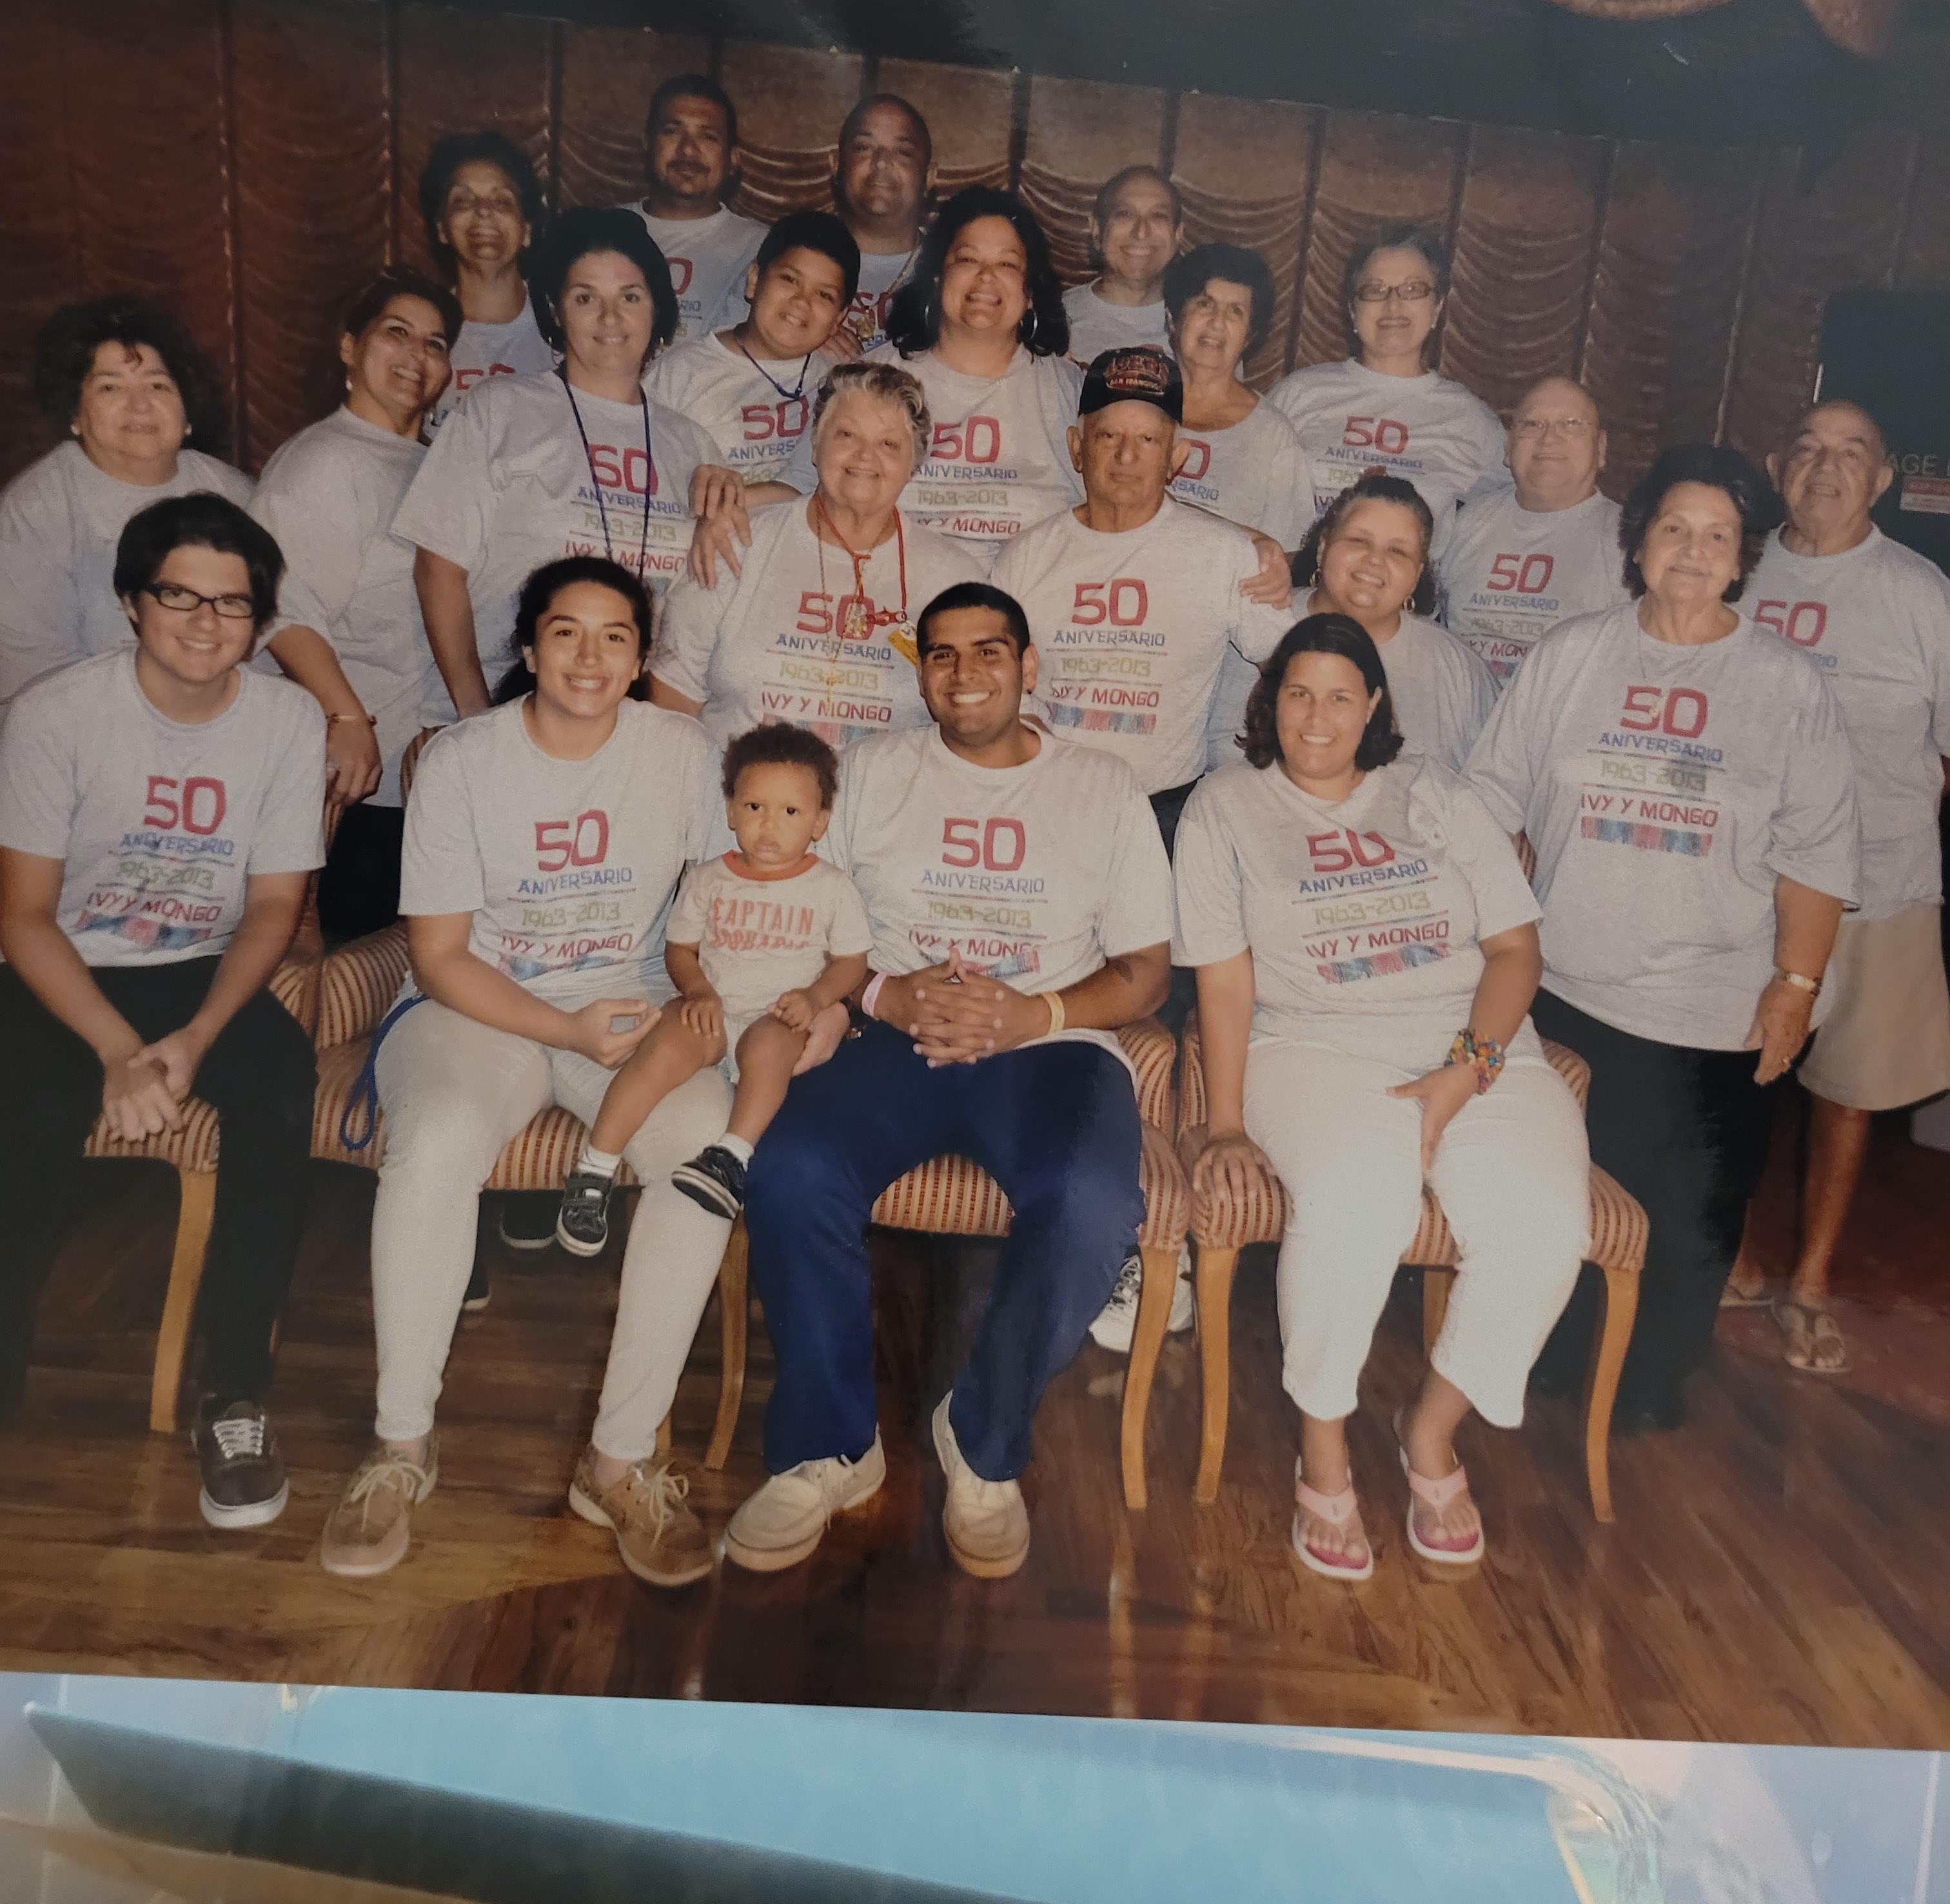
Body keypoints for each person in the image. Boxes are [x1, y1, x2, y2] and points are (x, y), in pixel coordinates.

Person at [725, 585, 1172, 1582]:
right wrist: (882, 993)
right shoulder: (875, 772)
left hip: (1047, 1041)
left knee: (1093, 1201)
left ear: (1029, 665)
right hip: (894, 1032)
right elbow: (804, 915)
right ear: (918, 669)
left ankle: (982, 1436)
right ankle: (829, 1446)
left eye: (989, 651)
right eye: (942, 655)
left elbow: (1146, 972)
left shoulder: (1103, 786)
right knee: (790, 1166)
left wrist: (1033, 1014)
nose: (965, 674)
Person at [318, 558, 730, 1589]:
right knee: (438, 1141)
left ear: (642, 659)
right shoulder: (461, 758)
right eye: (565, 632)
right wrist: (562, 1026)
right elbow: (440, 955)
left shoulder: (682, 754)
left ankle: (620, 1460)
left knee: (700, 1157)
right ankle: (401, 1445)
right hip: (480, 1004)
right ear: (529, 646)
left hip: (630, 1004)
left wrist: (694, 1006)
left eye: (615, 637)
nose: (589, 657)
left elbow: (720, 907)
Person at [1176, 615, 1588, 1578]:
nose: (1317, 717)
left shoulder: (1436, 793)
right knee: (1360, 1199)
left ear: (1374, 708)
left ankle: (1431, 1429)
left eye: (1340, 696)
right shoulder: (1224, 807)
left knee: (1544, 1225)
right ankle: (1323, 1452)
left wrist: (1467, 1067)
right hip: (1314, 1045)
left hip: (1476, 1044)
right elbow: (1226, 981)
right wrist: (1227, 1121)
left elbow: (1516, 950)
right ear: (1268, 703)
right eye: (1296, 693)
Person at [1466, 444, 1860, 1431]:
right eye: (1674, 529)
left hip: (1707, 1009)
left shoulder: (1787, 686)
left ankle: (1645, 1384)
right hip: (1564, 995)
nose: (1693, 550)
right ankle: (1547, 1356)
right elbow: (1491, 793)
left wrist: (1796, 986)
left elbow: (1818, 853)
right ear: (1637, 545)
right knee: (1555, 1202)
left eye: (1717, 536)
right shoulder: (1571, 655)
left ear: (1742, 560)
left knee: (1682, 1224)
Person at [0, 493, 324, 1526]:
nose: (205, 622)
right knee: (29, 1121)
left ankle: (233, 1393)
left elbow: (274, 910)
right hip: (62, 969)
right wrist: (115, 1050)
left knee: (279, 1091)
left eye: (233, 604)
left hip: (199, 969)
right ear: (133, 602)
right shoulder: (55, 712)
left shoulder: (286, 718)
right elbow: (24, 918)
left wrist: (190, 1039)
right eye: (179, 595)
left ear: (260, 619)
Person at [1724, 400, 1950, 1373]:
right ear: (1779, 464)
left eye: (1852, 452)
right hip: (1737, 881)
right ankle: (1724, 1256)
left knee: (1846, 1091)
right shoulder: (1738, 563)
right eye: (1808, 447)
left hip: (1877, 884)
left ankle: (1809, 1279)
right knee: (1733, 1073)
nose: (1827, 468)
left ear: (1885, 477)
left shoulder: (1919, 591)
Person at [557, 723, 871, 1250]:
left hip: (778, 1016)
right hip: (714, 1010)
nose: (769, 826)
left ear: (819, 823)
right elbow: (680, 950)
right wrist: (698, 990)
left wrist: (816, 999)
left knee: (772, 1043)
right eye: (754, 808)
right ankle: (594, 1169)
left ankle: (731, 1156)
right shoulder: (707, 878)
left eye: (790, 813)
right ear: (729, 810)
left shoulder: (832, 888)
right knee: (664, 1045)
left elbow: (851, 962)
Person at [396, 205, 718, 712]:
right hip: (505, 708)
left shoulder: (693, 444)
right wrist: (472, 716)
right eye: (585, 297)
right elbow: (438, 569)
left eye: (630, 296)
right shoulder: (500, 408)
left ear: (656, 308)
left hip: (630, 725)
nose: (610, 318)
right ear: (555, 308)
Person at [990, 346, 1295, 853]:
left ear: (1176, 457)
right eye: (1108, 435)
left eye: (1149, 439)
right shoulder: (1024, 557)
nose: (1126, 456)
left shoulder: (1226, 554)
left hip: (1166, 814)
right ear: (1077, 448)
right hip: (1043, 800)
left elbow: (1295, 670)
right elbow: (994, 680)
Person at [252, 269, 460, 942]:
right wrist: (346, 716)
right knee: (341, 971)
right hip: (355, 784)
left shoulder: (436, 461)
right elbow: (283, 610)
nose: (416, 356)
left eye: (434, 343)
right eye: (395, 333)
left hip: (423, 775)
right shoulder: (322, 464)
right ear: (349, 348)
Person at [650, 362, 976, 754]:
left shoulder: (955, 579)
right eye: (846, 434)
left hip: (882, 808)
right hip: (738, 805)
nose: (865, 456)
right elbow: (672, 708)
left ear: (913, 465)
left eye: (889, 444)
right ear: (816, 448)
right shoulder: (735, 546)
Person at [0, 299, 253, 705]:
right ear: (75, 415)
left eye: (158, 385)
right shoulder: (34, 511)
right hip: (82, 727)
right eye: (110, 387)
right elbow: (34, 674)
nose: (139, 405)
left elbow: (271, 636)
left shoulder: (236, 495)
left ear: (188, 413)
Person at [1268, 223, 1507, 570]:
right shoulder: (1298, 394)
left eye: (1412, 289)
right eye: (1375, 290)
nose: (1393, 304)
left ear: (1437, 308)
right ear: (1353, 310)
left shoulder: (1471, 419)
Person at [1161, 242, 1317, 767]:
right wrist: (1243, 534)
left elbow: (1288, 560)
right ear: (1172, 318)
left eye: (1235, 312)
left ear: (1250, 336)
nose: (1216, 322)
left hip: (1219, 657)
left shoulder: (1272, 436)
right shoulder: (1132, 406)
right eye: (1203, 304)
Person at [875, 186, 1083, 548]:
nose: (986, 276)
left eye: (1007, 264)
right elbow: (804, 487)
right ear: (938, 278)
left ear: (1030, 290)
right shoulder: (871, 380)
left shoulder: (1074, 391)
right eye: (968, 260)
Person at [646, 208, 858, 498]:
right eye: (789, 280)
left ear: (839, 318)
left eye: (824, 296)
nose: (801, 302)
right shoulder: (679, 373)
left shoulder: (845, 381)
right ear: (754, 280)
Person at [1297, 478, 1497, 770]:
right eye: (1358, 541)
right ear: (1323, 547)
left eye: (1397, 551)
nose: (1374, 560)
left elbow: (1494, 786)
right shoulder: (1258, 622)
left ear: (1416, 576)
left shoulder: (1457, 668)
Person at [1442, 377, 1623, 685]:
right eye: (1532, 425)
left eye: (1571, 424)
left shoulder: (1630, 541)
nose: (1549, 439)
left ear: (1601, 448)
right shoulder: (1464, 522)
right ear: (1508, 448)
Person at [417, 130, 555, 433]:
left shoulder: (564, 327)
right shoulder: (422, 332)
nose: (483, 212)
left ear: (527, 229)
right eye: (463, 202)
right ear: (441, 229)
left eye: (502, 202)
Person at [633, 73, 763, 340]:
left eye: (708, 137)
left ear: (733, 159)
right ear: (647, 145)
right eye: (672, 132)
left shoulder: (765, 248)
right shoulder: (598, 231)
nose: (688, 151)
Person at [828, 92, 934, 358]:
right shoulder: (793, 254)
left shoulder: (951, 270)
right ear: (836, 164)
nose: (882, 163)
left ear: (929, 177)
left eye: (903, 152)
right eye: (864, 147)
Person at [1061, 167, 1182, 367]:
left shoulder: (1205, 332)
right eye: (1125, 214)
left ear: (1178, 235)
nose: (1141, 232)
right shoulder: (1053, 319)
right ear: (1097, 229)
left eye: (1158, 216)